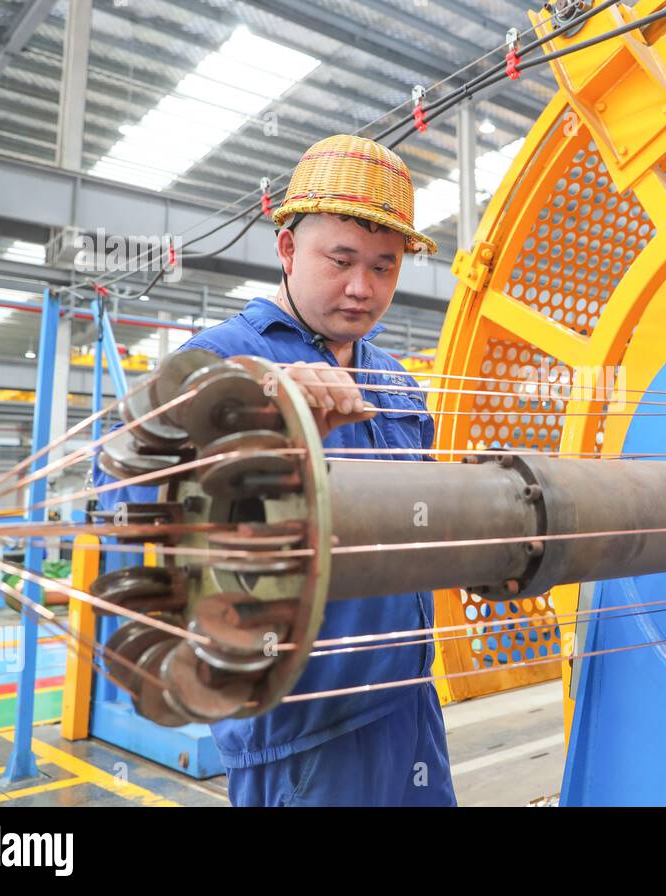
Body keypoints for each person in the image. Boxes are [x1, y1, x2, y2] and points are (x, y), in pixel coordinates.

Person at [94, 134, 456, 806]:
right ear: (287, 249)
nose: (361, 288)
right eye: (340, 260)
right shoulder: (224, 360)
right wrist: (257, 409)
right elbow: (116, 490)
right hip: (301, 733)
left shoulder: (397, 382)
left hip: (407, 706)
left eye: (384, 267)